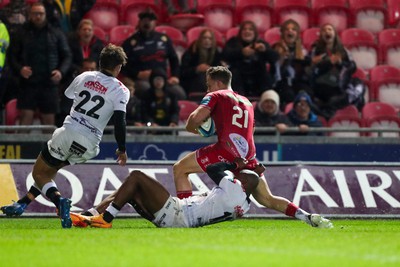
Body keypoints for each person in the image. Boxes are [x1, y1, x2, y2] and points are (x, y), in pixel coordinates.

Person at [173, 66, 332, 228]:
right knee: (267, 199)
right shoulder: (247, 103)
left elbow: (194, 119)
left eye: (209, 84)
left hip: (225, 150)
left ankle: (182, 215)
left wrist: (195, 129)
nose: (207, 88)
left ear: (218, 83)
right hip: (248, 157)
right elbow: (251, 130)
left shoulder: (215, 95)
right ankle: (308, 217)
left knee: (180, 168)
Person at [0, 44, 130, 229]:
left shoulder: (85, 76)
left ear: (100, 63)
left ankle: (59, 200)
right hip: (90, 145)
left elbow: (68, 95)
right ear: (118, 67)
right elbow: (120, 121)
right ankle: (22, 203)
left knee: (39, 172)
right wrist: (122, 149)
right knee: (51, 169)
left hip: (69, 132)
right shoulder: (121, 90)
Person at [70, 158, 259, 228]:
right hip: (180, 221)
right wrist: (253, 174)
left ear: (241, 181)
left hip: (178, 213)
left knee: (136, 176)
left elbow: (212, 168)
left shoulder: (234, 187)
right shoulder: (245, 205)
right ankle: (90, 216)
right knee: (129, 190)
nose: (234, 174)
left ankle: (106, 219)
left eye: (238, 175)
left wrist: (235, 165)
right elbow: (250, 185)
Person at [8, 2, 72, 129]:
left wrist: (61, 71)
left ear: (45, 15)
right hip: (28, 83)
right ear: (30, 15)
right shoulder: (21, 33)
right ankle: (23, 148)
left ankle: (49, 149)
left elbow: (67, 56)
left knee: (49, 124)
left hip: (49, 83)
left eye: (41, 14)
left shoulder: (56, 33)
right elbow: (11, 57)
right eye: (35, 13)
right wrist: (20, 69)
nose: (38, 16)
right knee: (25, 121)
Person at [121, 9, 186, 100]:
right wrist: (137, 74)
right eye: (144, 21)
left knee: (179, 93)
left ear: (155, 23)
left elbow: (174, 59)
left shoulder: (164, 39)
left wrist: (175, 76)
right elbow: (122, 65)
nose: (147, 23)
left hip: (162, 79)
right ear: (139, 22)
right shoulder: (130, 43)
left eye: (150, 21)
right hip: (142, 80)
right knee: (146, 91)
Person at [309, 23, 364, 119]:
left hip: (341, 83)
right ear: (321, 35)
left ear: (335, 34)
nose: (327, 31)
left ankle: (330, 106)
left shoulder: (343, 51)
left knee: (360, 85)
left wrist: (340, 63)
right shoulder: (316, 50)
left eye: (330, 29)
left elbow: (352, 67)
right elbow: (312, 69)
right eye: (324, 30)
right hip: (324, 84)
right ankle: (331, 106)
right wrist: (328, 62)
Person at [222, 20, 279, 97]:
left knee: (265, 76)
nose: (247, 31)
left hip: (257, 74)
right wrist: (242, 53)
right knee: (234, 74)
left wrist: (265, 51)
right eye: (244, 29)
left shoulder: (260, 43)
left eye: (250, 29)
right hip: (239, 73)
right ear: (240, 32)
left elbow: (275, 58)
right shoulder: (233, 42)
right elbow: (225, 55)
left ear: (255, 33)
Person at [272, 19, 312, 108]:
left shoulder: (302, 51)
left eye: (293, 29)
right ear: (283, 33)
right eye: (287, 29)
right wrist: (282, 58)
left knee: (307, 93)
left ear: (297, 34)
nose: (290, 31)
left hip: (298, 81)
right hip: (282, 82)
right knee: (288, 95)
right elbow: (274, 71)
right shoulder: (276, 48)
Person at [180, 27, 224, 95]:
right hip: (192, 82)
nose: (207, 40)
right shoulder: (191, 51)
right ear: (200, 39)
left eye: (210, 38)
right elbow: (183, 72)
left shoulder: (216, 53)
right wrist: (196, 69)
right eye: (204, 38)